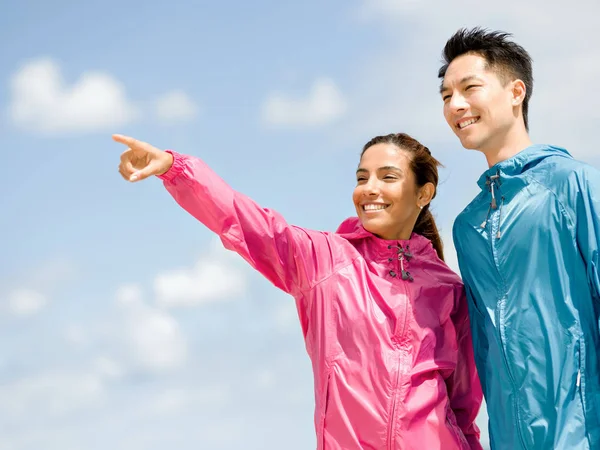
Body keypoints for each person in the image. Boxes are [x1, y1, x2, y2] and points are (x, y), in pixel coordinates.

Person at [114, 132, 483, 449]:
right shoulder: (323, 260)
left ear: (423, 193)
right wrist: (174, 168)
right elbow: (247, 221)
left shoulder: (448, 289)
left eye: (387, 177)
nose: (369, 188)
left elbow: (464, 410)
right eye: (361, 177)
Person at [439, 27, 600, 449]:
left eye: (469, 88)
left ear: (516, 92)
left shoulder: (575, 185)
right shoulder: (468, 226)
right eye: (445, 96)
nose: (456, 105)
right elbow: (483, 356)